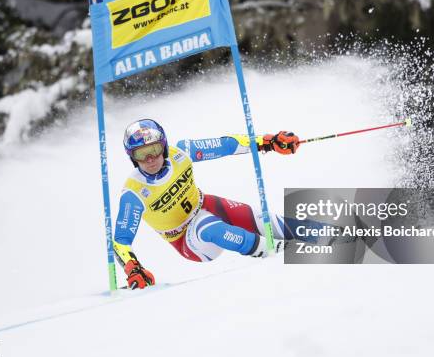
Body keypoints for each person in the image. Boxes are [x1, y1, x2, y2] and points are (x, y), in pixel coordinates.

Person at [113, 118, 300, 289]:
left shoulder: (181, 152)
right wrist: (133, 268)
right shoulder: (134, 193)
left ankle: (320, 232)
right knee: (208, 226)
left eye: (153, 150)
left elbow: (226, 145)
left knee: (266, 220)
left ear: (164, 146)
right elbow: (121, 241)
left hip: (208, 206)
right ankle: (275, 252)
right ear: (132, 157)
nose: (150, 159)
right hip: (187, 240)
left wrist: (267, 142)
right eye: (141, 154)